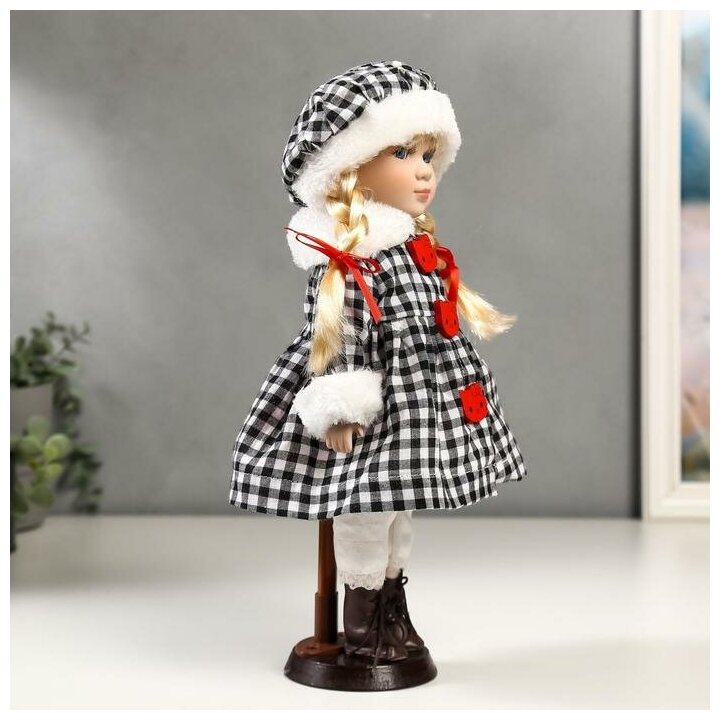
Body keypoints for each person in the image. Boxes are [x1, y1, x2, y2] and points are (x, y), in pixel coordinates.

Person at [229, 60, 528, 666]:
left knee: (399, 510)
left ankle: (393, 606)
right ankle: (362, 619)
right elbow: (336, 337)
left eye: (428, 154)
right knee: (365, 510)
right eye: (402, 152)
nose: (423, 169)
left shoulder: (410, 246)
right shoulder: (351, 259)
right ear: (348, 167)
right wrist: (342, 406)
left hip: (417, 400)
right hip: (375, 405)